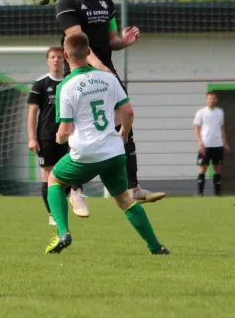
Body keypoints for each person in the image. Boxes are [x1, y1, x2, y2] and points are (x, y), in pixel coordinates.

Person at [44, 32, 169, 255]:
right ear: (89, 51)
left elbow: (64, 131)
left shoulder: (66, 86)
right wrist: (124, 133)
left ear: (65, 55)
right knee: (124, 199)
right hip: (113, 151)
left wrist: (59, 139)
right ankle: (156, 247)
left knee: (54, 178)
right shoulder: (109, 78)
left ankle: (63, 232)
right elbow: (128, 111)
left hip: (85, 153)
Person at [55, 0, 165, 205]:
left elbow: (111, 40)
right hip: (81, 72)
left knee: (124, 118)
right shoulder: (66, 4)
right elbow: (78, 42)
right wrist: (101, 68)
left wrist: (123, 42)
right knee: (78, 127)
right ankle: (74, 190)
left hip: (105, 70)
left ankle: (133, 187)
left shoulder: (105, 3)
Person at [27, 46, 89, 223]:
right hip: (46, 136)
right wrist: (32, 138)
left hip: (69, 135)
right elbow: (32, 112)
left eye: (60, 57)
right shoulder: (40, 84)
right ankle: (52, 214)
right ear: (48, 60)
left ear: (66, 59)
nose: (56, 60)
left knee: (74, 168)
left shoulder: (72, 81)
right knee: (47, 174)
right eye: (53, 57)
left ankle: (75, 195)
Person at [193, 92, 230, 196]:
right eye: (209, 99)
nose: (211, 100)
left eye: (213, 99)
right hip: (205, 145)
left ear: (216, 100)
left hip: (217, 145)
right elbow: (196, 129)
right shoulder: (201, 112)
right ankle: (200, 193)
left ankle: (217, 193)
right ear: (206, 100)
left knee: (217, 169)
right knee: (202, 168)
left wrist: (225, 143)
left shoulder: (220, 112)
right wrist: (200, 142)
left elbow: (221, 128)